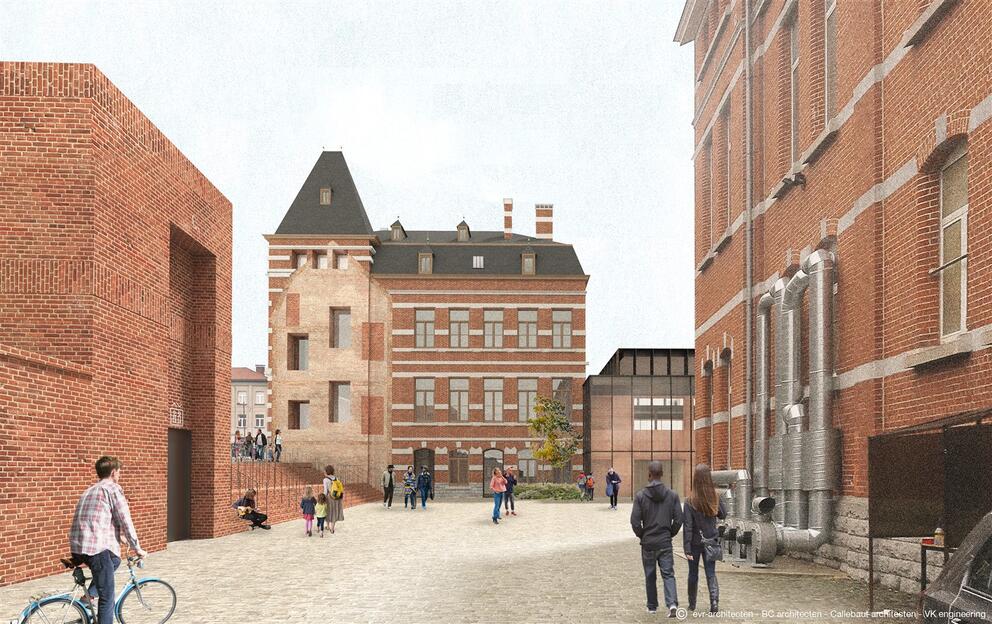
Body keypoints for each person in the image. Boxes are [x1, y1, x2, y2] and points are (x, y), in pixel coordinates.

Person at [70, 456, 147, 624]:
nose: (119, 475)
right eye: (119, 472)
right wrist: (137, 548)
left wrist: (119, 536)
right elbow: (125, 520)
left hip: (78, 547)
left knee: (114, 559)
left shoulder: (90, 490)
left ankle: (89, 595)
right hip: (96, 549)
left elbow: (98, 518)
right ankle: (94, 600)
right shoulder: (113, 488)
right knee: (107, 599)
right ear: (113, 472)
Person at [630, 460, 683, 616]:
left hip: (648, 543)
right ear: (662, 474)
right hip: (665, 541)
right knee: (668, 574)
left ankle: (652, 606)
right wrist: (670, 533)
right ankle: (672, 604)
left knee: (650, 574)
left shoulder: (640, 496)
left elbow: (634, 522)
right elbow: (679, 520)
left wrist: (642, 534)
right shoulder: (672, 495)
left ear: (649, 474)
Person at [683, 464, 726, 613]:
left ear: (695, 479)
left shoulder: (689, 501)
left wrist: (686, 548)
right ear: (709, 478)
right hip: (711, 541)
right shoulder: (715, 496)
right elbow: (723, 514)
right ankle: (714, 604)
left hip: (695, 543)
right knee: (711, 573)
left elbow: (687, 526)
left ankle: (692, 604)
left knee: (693, 573)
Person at [322, 465, 344, 534]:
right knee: (334, 512)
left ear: (326, 471)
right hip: (337, 498)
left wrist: (323, 498)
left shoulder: (325, 480)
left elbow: (325, 491)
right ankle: (332, 529)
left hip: (329, 498)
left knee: (328, 511)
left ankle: (328, 526)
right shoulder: (336, 478)